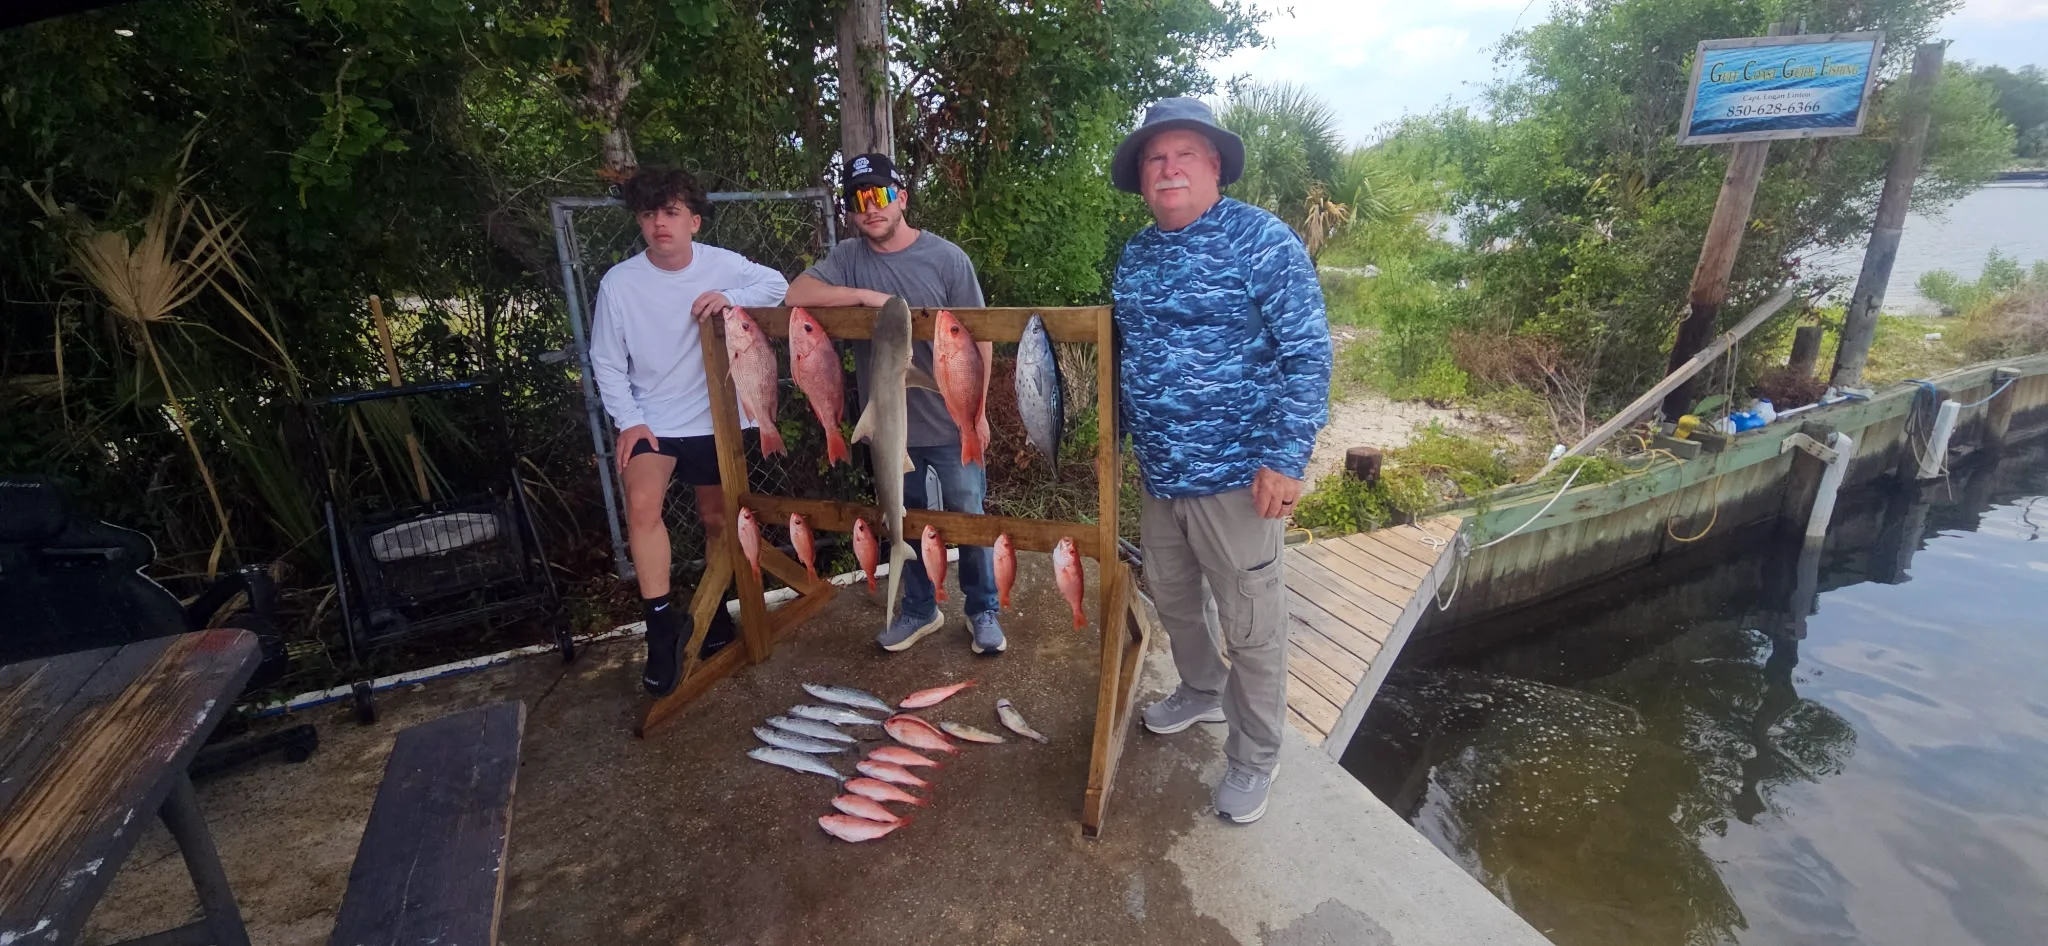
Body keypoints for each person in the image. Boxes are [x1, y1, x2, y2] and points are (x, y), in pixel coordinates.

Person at [1110, 98, 1332, 824]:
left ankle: (1254, 757)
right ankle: (1202, 692)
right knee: (1172, 600)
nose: (1168, 168)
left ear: (1213, 167)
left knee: (1252, 624)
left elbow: (1308, 354)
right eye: (1154, 158)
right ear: (1142, 177)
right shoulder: (1136, 255)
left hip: (1240, 480)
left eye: (1184, 155)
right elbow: (1128, 359)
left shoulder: (1262, 241)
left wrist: (1286, 458)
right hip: (1161, 475)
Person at [783, 152, 1005, 656]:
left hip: (949, 422)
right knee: (900, 517)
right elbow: (796, 291)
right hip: (887, 429)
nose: (870, 208)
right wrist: (865, 297)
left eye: (879, 194)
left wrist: (979, 412)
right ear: (849, 210)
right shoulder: (847, 259)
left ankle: (982, 608)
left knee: (968, 512)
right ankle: (919, 609)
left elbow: (982, 339)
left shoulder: (947, 259)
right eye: (858, 199)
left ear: (901, 197)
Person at [589, 166, 790, 697]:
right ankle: (661, 626)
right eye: (650, 214)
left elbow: (778, 284)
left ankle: (716, 612)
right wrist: (629, 420)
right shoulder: (620, 283)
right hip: (651, 416)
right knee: (641, 503)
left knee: (717, 516)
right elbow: (607, 362)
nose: (661, 224)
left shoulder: (722, 264)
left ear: (694, 221)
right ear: (639, 220)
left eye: (672, 213)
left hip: (716, 416)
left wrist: (726, 295)